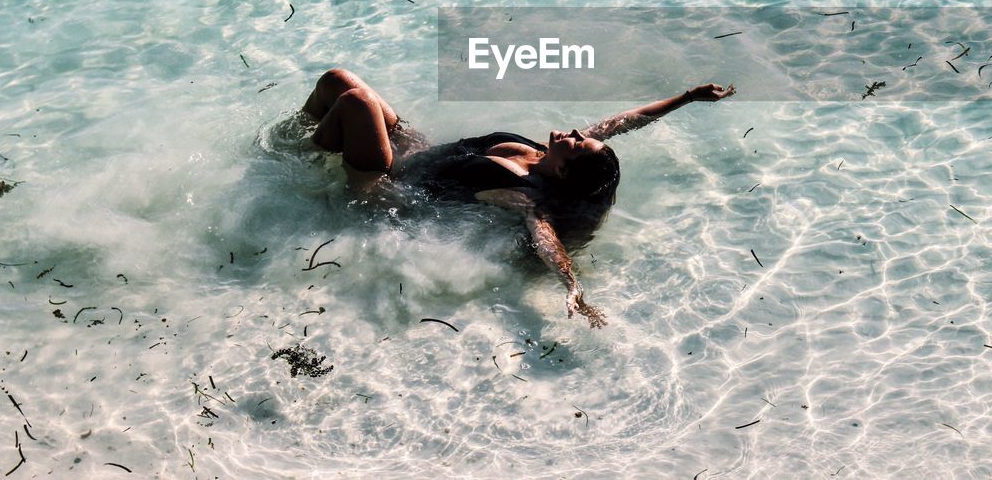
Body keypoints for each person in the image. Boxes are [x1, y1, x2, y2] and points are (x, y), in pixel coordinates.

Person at [301, 68, 736, 328]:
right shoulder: (551, 153)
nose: (580, 132)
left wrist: (573, 288)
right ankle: (295, 141)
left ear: (564, 170)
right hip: (416, 149)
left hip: (385, 185)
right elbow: (623, 122)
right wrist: (688, 98)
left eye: (579, 142)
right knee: (337, 80)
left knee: (358, 101)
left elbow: (545, 237)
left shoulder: (525, 196)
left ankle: (287, 164)